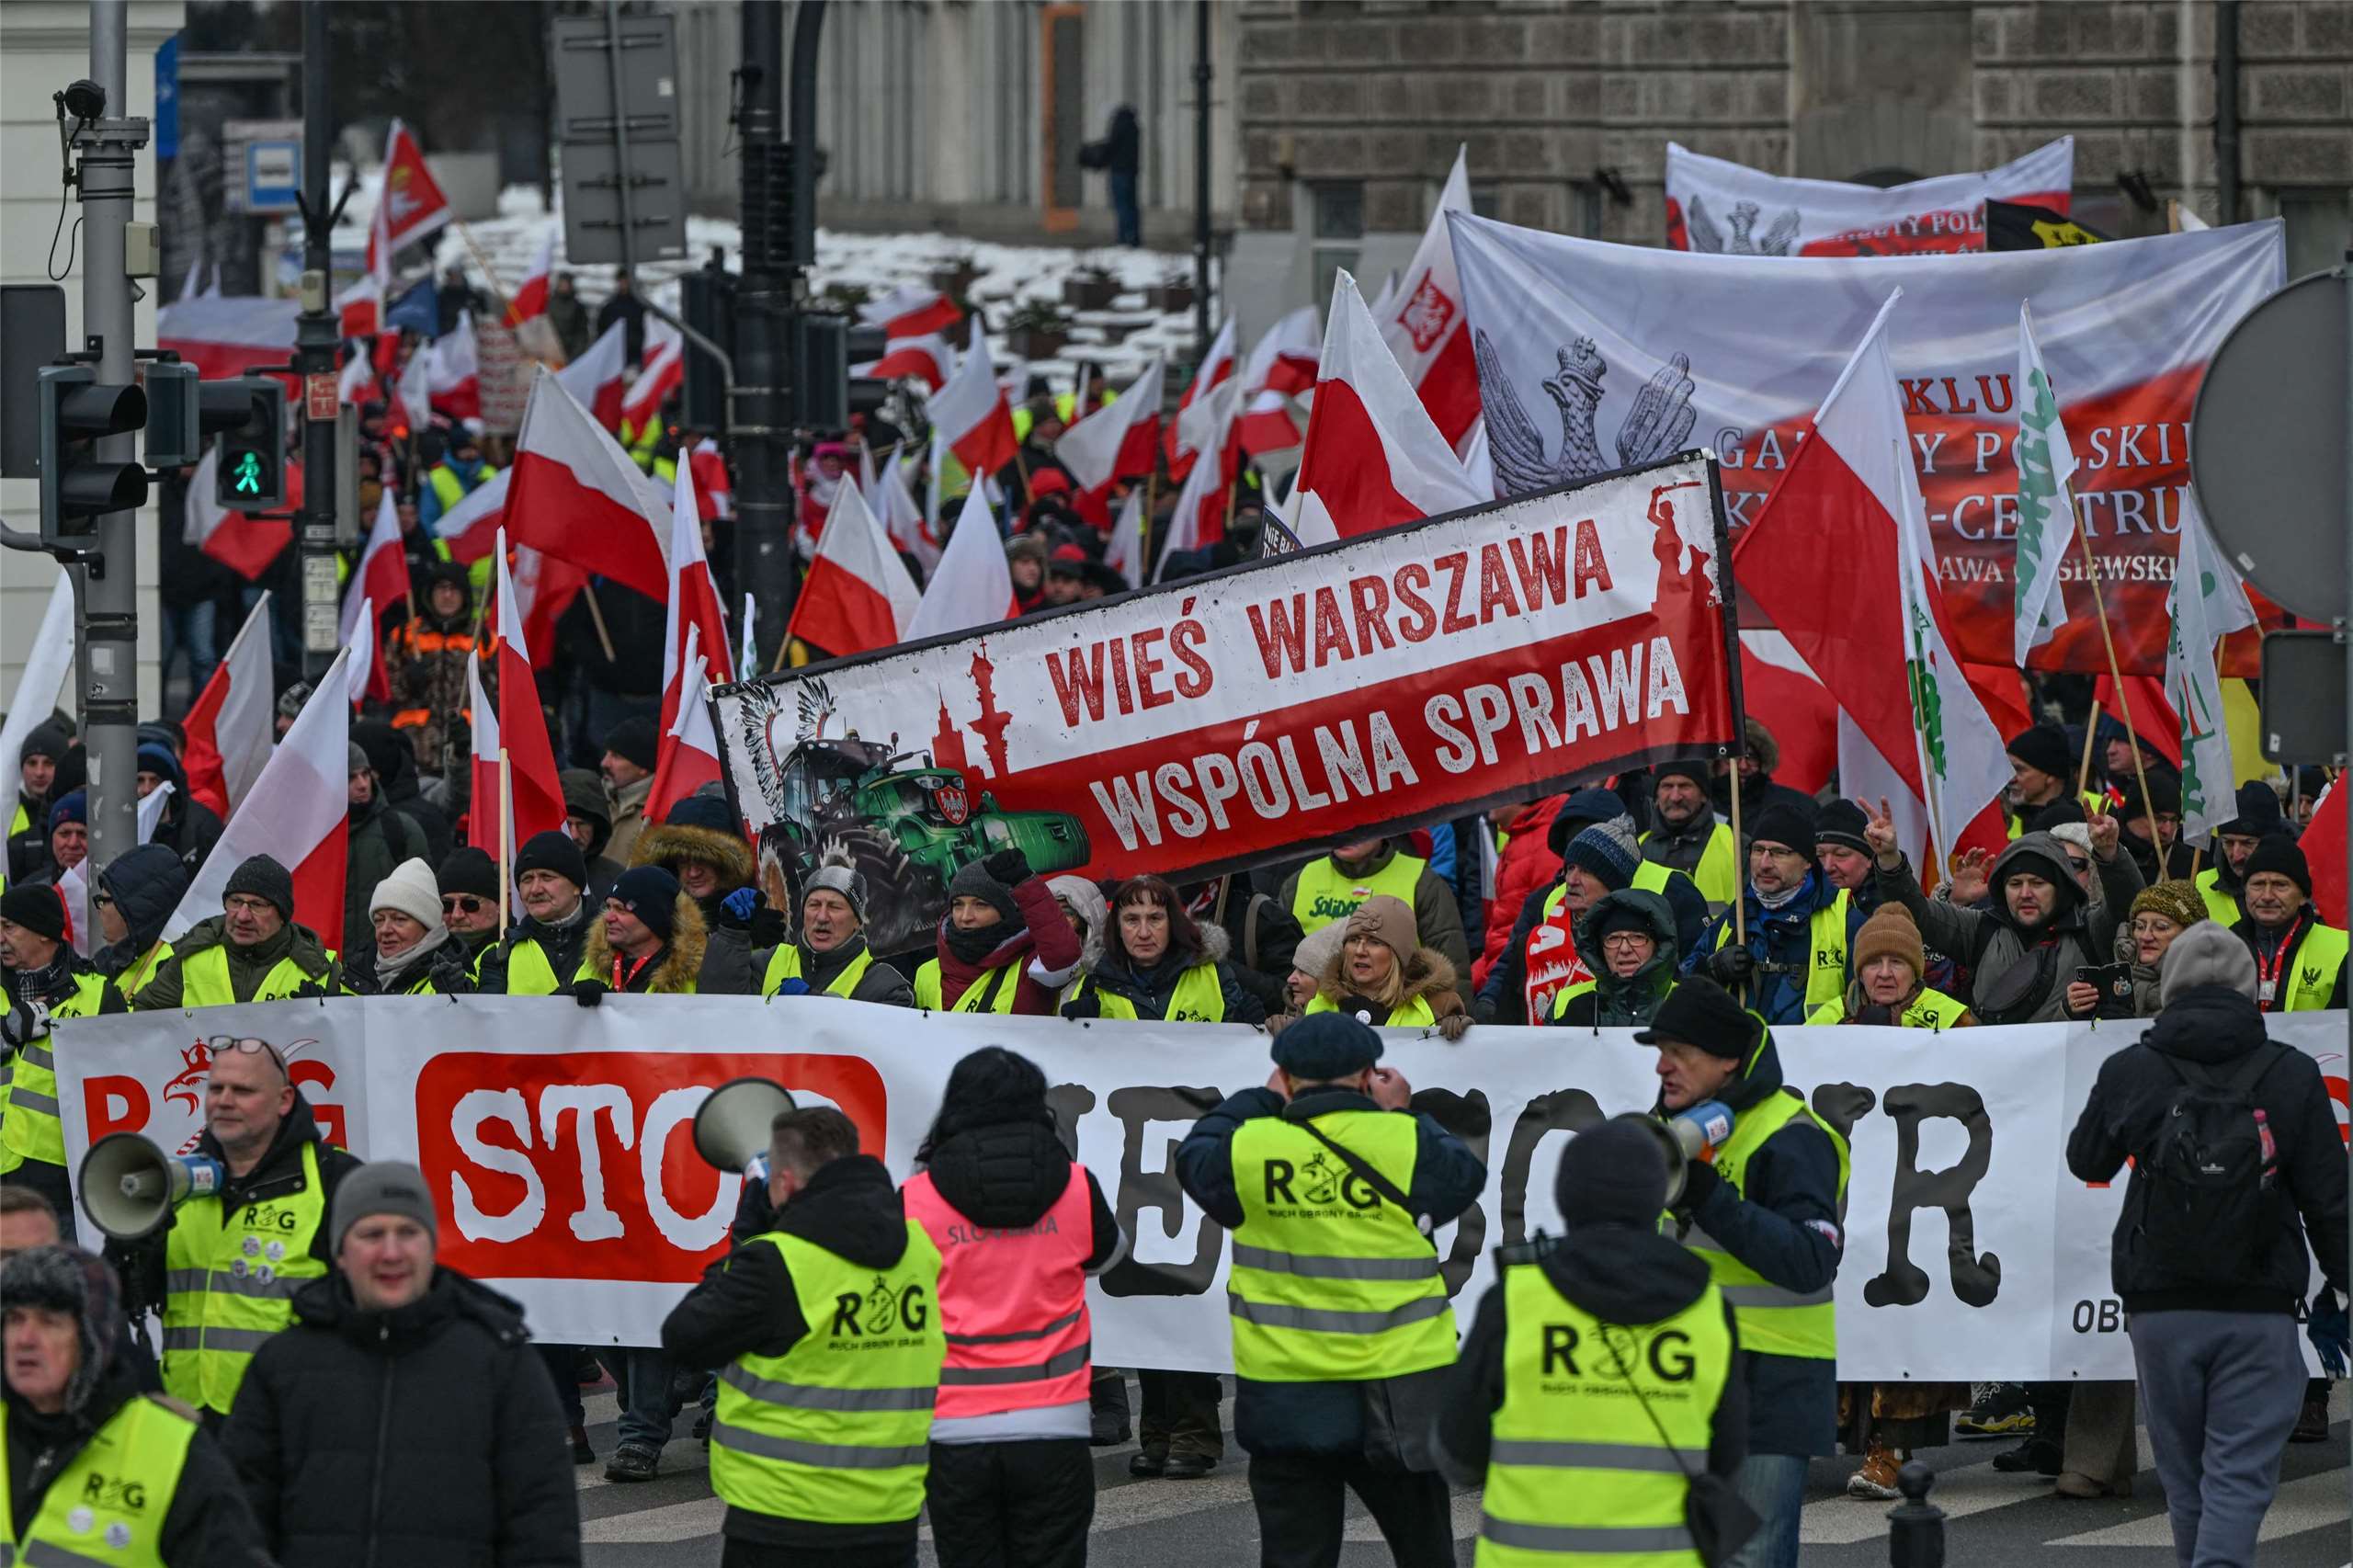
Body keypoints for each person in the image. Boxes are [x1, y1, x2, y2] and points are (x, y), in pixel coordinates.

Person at [2066, 922, 2350, 1563]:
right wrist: (2344, 1280)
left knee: (2184, 1472)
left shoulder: (2133, 1066)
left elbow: (2088, 1161)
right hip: (2260, 1299)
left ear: (2169, 985)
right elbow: (2330, 1199)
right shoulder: (2293, 1072)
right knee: (2239, 1472)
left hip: (2159, 1299)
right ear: (2252, 990)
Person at [1175, 1012, 1483, 1568]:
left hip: (1286, 1392)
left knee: (1295, 1556)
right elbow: (1463, 1177)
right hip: (1397, 1394)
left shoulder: (1252, 1147)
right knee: (1426, 1552)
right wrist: (1405, 1112)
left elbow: (1197, 1156)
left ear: (1286, 1078)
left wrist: (1257, 1101)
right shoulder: (1405, 1139)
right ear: (1368, 1074)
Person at [220, 1162, 581, 1568]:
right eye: (372, 1234)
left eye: (408, 1233)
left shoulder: (501, 1363)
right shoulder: (282, 1365)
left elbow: (544, 1527)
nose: (391, 1253)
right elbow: (238, 1522)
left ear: (431, 1245)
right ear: (340, 1252)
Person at [1433, 1118, 1749, 1562]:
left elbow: (1457, 1452)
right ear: (1658, 1196)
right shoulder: (1711, 1312)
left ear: (1566, 1196)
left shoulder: (1516, 1302)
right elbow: (1729, 1459)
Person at [662, 1106, 946, 1568]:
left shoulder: (775, 1262)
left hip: (782, 1516)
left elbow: (685, 1338)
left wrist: (749, 1238)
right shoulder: (918, 1248)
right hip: (888, 1513)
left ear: (787, 1182)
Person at [1643, 976, 1846, 1568]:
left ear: (1728, 1060)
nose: (1662, 1067)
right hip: (1680, 1371)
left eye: (1679, 1053)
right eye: (1660, 1053)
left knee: (1748, 1557)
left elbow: (1810, 1261)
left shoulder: (1793, 1136)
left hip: (1770, 1380)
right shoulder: (1673, 1128)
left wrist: (1708, 1195)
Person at [902, 1050, 1126, 1568]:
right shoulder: (1075, 1186)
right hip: (1056, 1424)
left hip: (955, 1427)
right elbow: (1108, 1258)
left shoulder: (916, 1198)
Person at [108, 1035, 362, 1421]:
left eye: (243, 1090)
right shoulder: (177, 1183)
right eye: (216, 1088)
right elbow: (122, 1296)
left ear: (285, 1101)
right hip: (187, 1418)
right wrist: (135, 1238)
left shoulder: (334, 1181)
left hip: (289, 1419)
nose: (224, 1101)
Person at [3, 1244, 270, 1562]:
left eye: (50, 1322)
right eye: (15, 1319)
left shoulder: (171, 1449)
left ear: (92, 1338)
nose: (25, 1339)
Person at [1865, 807, 2139, 1025]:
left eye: (2038, 883)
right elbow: (1918, 914)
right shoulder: (1980, 929)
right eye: (2015, 884)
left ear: (2061, 887)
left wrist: (2109, 854)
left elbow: (2127, 905)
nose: (2025, 893)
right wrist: (1890, 859)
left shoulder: (2089, 929)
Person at [0, 884, 124, 1233]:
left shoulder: (99, 995)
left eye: (9, 926)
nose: (1, 937)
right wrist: (6, 1034)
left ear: (42, 933)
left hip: (64, 1183)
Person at [1688, 802, 1859, 1027]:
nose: (1765, 864)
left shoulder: (1845, 920)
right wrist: (1710, 969)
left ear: (1808, 861)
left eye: (1779, 853)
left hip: (1813, 1056)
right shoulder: (1734, 918)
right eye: (1758, 850)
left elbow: (1864, 1002)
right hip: (1742, 1057)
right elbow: (1681, 986)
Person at [130, 854, 344, 1008]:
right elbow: (143, 1024)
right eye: (235, 902)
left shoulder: (320, 969)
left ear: (282, 915)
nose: (242, 916)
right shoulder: (190, 955)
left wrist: (320, 1018)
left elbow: (348, 1044)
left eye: (257, 905)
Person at [1062, 873, 1267, 1026]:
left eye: (1155, 918)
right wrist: (1076, 1029)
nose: (1143, 933)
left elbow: (1234, 1057)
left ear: (1173, 923)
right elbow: (1075, 1061)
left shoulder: (1215, 975)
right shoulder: (1093, 983)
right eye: (1132, 920)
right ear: (1117, 927)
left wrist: (1242, 1026)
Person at [1279, 832, 1469, 987]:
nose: (1346, 830)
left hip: (1398, 1025)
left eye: (1358, 820)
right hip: (1313, 1022)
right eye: (1337, 819)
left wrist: (1453, 1014)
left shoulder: (1423, 882)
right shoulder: (1298, 882)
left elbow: (1451, 972)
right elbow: (1279, 970)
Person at [914, 850, 1083, 1015]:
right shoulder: (926, 973)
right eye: (958, 904)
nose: (965, 917)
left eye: (980, 905)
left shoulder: (1031, 968)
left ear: (1006, 911)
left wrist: (1027, 885)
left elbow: (1064, 956)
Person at [1301, 892, 1472, 1036]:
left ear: (1399, 955)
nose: (1360, 950)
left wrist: (1462, 1031)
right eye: (1353, 940)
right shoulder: (1318, 998)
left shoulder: (1438, 1004)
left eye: (1374, 942)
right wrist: (1283, 1029)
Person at [1805, 906, 1972, 1028]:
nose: (1885, 973)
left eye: (1896, 962)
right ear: (1860, 974)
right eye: (1873, 962)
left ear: (1915, 973)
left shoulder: (1950, 1018)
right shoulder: (1832, 1016)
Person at [2234, 835, 2348, 1012]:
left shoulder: (2343, 948)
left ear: (2304, 896)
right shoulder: (2223, 946)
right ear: (2245, 891)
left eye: (2280, 885)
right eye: (2257, 884)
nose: (2267, 896)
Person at [480, 830, 600, 994]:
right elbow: (487, 1016)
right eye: (527, 879)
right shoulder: (500, 956)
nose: (535, 890)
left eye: (547, 877)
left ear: (576, 886)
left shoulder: (615, 944)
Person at [1550, 887, 1678, 1027]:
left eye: (1637, 937)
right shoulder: (1565, 1002)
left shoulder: (1688, 1004)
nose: (1624, 949)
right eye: (1613, 939)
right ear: (1599, 949)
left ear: (1658, 945)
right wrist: (1570, 1033)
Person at [345, 744, 429, 955]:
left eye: (365, 774)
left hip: (390, 964)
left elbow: (427, 904)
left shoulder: (400, 829)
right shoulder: (313, 837)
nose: (363, 785)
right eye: (350, 778)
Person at [575, 865, 705, 1004]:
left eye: (621, 909)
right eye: (609, 907)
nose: (608, 917)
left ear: (654, 917)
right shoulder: (593, 964)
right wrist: (569, 996)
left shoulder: (696, 975)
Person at [347, 858, 470, 996]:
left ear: (428, 926)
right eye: (379, 920)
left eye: (399, 919)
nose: (385, 930)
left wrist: (457, 998)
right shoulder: (352, 974)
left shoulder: (457, 980)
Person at [1643, 757, 1740, 911]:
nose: (1675, 797)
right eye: (1667, 786)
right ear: (1656, 796)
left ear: (1704, 794)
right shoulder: (1639, 846)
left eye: (1684, 786)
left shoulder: (1736, 845)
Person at [2198, 781, 2283, 925]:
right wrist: (2175, 906)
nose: (2237, 855)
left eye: (2248, 843)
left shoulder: (2298, 886)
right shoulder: (2201, 883)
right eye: (2228, 843)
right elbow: (2182, 914)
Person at [134, 741, 225, 872]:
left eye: (155, 780)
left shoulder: (203, 825)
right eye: (140, 780)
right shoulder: (122, 826)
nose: (147, 789)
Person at [2003, 722, 2104, 833]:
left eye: (2019, 769)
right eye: (2009, 768)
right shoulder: (2000, 815)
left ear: (2050, 775)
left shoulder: (2098, 813)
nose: (2011, 779)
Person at [5, 717, 70, 881]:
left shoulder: (74, 815)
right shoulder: (7, 812)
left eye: (48, 763)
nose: (39, 772)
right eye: (32, 763)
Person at [417, 428, 499, 541]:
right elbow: (428, 520)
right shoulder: (437, 478)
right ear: (454, 451)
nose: (471, 453)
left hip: (487, 550)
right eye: (466, 449)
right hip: (451, 549)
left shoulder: (491, 474)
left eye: (474, 449)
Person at [600, 716, 659, 867]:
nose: (604, 763)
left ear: (643, 768)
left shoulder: (658, 812)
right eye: (607, 754)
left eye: (616, 757)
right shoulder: (596, 798)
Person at [436, 846, 506, 967]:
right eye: (447, 905)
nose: (457, 915)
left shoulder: (519, 952)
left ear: (499, 905)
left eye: (469, 905)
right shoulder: (424, 959)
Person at [560, 766, 625, 898]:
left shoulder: (616, 879)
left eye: (582, 824)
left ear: (596, 826)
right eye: (567, 824)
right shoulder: (533, 875)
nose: (574, 835)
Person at [1101, 105, 1142, 246]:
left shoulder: (1118, 126)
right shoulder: (1134, 127)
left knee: (1121, 205)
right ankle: (1134, 236)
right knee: (1131, 205)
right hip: (1130, 171)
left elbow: (1111, 146)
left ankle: (1123, 237)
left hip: (1118, 171)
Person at [597, 270, 647, 366]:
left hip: (635, 356)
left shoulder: (640, 306)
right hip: (613, 356)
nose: (623, 284)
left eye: (626, 281)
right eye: (621, 281)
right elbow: (602, 331)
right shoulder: (610, 307)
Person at [546, 271, 591, 361]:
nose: (564, 286)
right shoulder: (549, 304)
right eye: (562, 283)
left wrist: (575, 356)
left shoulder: (577, 307)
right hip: (550, 353)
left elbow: (581, 334)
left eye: (566, 283)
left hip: (569, 354)